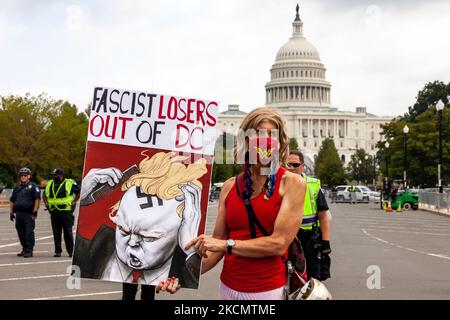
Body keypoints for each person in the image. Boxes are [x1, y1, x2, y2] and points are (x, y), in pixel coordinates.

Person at [161, 107, 307, 300]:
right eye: (259, 133)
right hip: (228, 288)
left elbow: (278, 244)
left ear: (279, 143)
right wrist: (179, 277)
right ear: (246, 140)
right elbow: (214, 250)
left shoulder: (292, 183)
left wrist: (224, 244)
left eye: (272, 134)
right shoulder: (230, 186)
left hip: (267, 291)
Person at [73, 152, 202, 289]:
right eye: (123, 229)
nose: (132, 242)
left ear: (179, 232)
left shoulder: (187, 271)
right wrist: (83, 196)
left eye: (149, 237)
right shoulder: (88, 253)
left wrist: (191, 248)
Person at [286, 150, 332, 281]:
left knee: (312, 276)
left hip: (310, 238)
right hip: (287, 237)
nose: (292, 168)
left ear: (302, 166)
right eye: (289, 165)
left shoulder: (312, 185)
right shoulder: (278, 185)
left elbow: (323, 216)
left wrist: (326, 242)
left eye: (295, 165)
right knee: (289, 276)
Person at [43, 168, 80, 257]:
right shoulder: (50, 183)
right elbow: (44, 195)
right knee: (56, 232)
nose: (54, 176)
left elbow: (78, 192)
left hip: (66, 211)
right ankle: (57, 251)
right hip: (54, 211)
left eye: (55, 175)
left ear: (61, 175)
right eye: (53, 175)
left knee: (68, 232)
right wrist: (46, 203)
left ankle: (71, 251)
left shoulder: (69, 182)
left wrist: (74, 201)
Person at [9, 167, 41, 258]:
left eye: (25, 175)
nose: (23, 177)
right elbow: (12, 200)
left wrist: (35, 212)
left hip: (28, 214)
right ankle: (24, 249)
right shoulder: (17, 187)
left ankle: (29, 250)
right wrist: (11, 212)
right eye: (21, 175)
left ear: (29, 176)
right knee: (20, 232)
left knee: (28, 232)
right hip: (19, 214)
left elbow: (37, 199)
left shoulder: (33, 186)